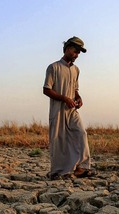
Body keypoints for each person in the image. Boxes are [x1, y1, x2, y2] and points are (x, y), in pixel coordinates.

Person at [42, 36, 96, 180]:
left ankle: (82, 168)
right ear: (67, 49)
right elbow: (46, 90)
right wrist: (64, 98)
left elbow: (75, 89)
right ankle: (59, 172)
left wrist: (78, 97)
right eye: (75, 51)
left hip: (71, 110)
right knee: (59, 139)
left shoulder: (76, 70)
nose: (76, 55)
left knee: (81, 133)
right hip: (58, 109)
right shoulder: (53, 67)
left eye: (79, 52)